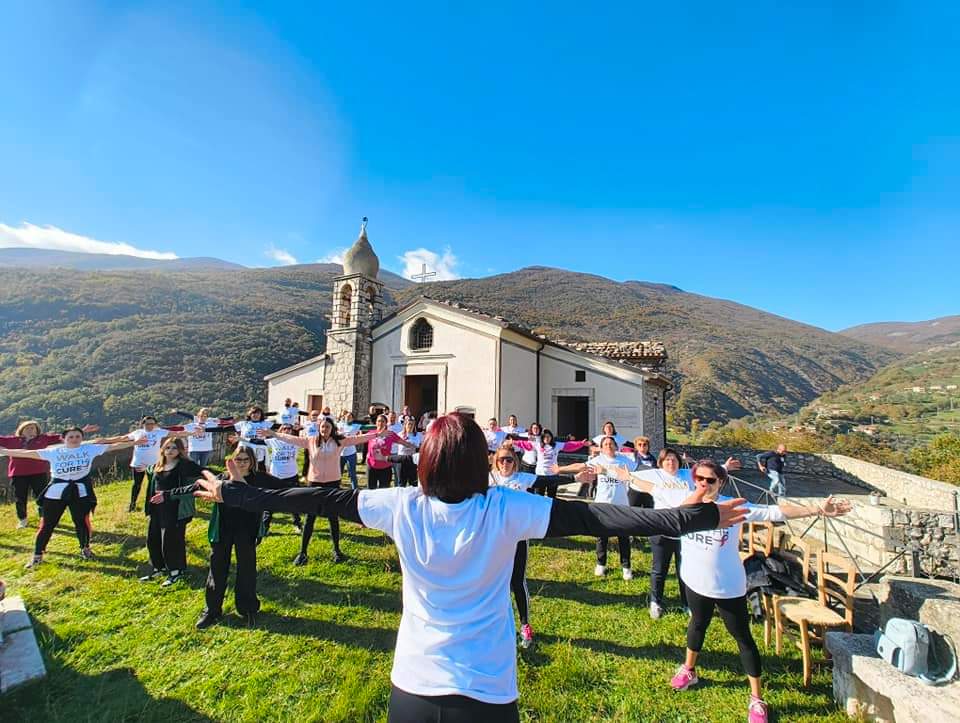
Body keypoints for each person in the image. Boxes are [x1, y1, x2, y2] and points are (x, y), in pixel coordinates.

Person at [190, 413, 748, 722]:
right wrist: (693, 516)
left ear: (428, 462)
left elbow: (318, 498)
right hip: (486, 689)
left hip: (413, 684)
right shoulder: (506, 509)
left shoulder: (401, 504)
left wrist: (239, 495)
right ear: (481, 462)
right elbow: (602, 519)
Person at [606, 458, 850, 723]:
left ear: (720, 482)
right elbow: (650, 486)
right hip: (694, 580)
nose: (703, 484)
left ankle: (756, 699)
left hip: (727, 585)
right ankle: (689, 669)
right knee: (697, 625)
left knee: (742, 637)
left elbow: (773, 512)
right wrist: (625, 475)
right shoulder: (682, 499)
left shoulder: (733, 507)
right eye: (698, 479)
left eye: (709, 480)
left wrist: (817, 509)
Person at [0, 429, 145, 567]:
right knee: (47, 524)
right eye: (71, 437)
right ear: (63, 439)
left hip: (80, 492)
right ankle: (37, 555)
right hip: (55, 493)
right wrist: (5, 451)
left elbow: (114, 447)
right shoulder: (54, 451)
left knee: (81, 522)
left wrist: (134, 443)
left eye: (78, 436)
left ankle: (85, 549)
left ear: (82, 438)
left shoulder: (89, 449)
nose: (74, 439)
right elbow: (27, 453)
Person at [259, 419, 374, 564]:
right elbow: (291, 438)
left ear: (332, 428)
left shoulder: (340, 441)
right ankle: (303, 553)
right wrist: (273, 434)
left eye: (327, 426)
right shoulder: (311, 441)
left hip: (333, 483)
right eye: (322, 426)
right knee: (310, 518)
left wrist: (376, 434)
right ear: (319, 428)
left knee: (333, 517)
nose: (324, 429)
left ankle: (337, 551)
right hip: (314, 483)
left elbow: (359, 438)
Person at [0, 420, 99, 528]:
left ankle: (45, 518)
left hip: (39, 472)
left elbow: (63, 437)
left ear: (37, 430)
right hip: (18, 473)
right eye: (27, 428)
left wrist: (83, 430)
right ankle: (22, 519)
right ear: (21, 430)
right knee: (20, 497)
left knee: (42, 496)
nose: (30, 430)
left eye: (33, 428)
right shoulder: (12, 440)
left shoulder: (43, 439)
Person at [489, 444, 540, 649]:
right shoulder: (488, 478)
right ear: (495, 461)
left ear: (515, 462)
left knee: (517, 581)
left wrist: (575, 478)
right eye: (501, 459)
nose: (505, 463)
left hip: (518, 537)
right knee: (493, 582)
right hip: (494, 538)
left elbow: (547, 480)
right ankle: (495, 624)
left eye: (509, 460)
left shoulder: (522, 479)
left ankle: (525, 624)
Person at [143, 437, 205, 586]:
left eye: (174, 448)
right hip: (157, 508)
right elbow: (153, 479)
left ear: (180, 450)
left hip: (176, 509)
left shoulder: (185, 465)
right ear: (163, 449)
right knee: (153, 539)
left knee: (171, 541)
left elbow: (205, 474)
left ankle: (176, 571)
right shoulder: (158, 465)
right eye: (168, 448)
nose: (170, 451)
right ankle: (159, 567)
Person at [98, 416, 190, 512]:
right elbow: (122, 438)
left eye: (152, 424)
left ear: (155, 424)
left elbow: (177, 433)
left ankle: (152, 506)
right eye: (147, 424)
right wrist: (105, 440)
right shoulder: (138, 433)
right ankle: (132, 505)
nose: (150, 426)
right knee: (137, 484)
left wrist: (193, 433)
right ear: (143, 424)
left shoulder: (159, 432)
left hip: (154, 464)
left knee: (153, 485)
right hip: (138, 463)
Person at [513, 429, 589, 499]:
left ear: (551, 437)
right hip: (540, 475)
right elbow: (525, 444)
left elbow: (569, 445)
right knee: (539, 496)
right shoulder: (538, 445)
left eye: (548, 436)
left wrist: (581, 443)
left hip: (553, 475)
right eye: (544, 437)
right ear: (542, 438)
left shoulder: (556, 445)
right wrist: (513, 442)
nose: (546, 438)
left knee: (552, 497)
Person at [262, 424, 303, 534]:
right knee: (269, 503)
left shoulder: (296, 441)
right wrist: (241, 439)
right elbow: (257, 442)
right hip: (275, 476)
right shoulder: (274, 440)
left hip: (291, 476)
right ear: (280, 430)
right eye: (284, 428)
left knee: (294, 502)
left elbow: (311, 441)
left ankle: (297, 524)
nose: (287, 430)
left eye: (289, 428)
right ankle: (265, 527)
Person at [367, 415, 415, 491]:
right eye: (379, 421)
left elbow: (404, 443)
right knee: (371, 490)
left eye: (383, 421)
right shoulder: (371, 433)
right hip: (372, 467)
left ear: (386, 423)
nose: (380, 423)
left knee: (384, 491)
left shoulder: (390, 434)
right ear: (376, 423)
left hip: (385, 467)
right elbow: (359, 439)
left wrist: (416, 447)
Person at [233, 406, 275, 472]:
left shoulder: (265, 423)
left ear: (261, 415)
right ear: (250, 414)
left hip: (259, 452)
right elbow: (229, 427)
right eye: (253, 413)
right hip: (244, 452)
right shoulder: (243, 423)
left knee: (259, 473)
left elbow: (282, 426)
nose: (255, 415)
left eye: (258, 413)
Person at [394, 417, 422, 487]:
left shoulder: (418, 435)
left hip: (412, 460)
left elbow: (421, 446)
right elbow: (394, 447)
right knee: (401, 483)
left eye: (412, 424)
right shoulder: (399, 435)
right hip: (401, 460)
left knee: (413, 483)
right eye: (409, 424)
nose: (410, 426)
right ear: (405, 425)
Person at [337, 411, 361, 490]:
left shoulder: (356, 426)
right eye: (347, 416)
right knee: (338, 473)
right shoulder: (339, 424)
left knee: (352, 473)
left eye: (350, 417)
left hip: (351, 453)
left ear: (352, 418)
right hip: (340, 453)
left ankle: (355, 490)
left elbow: (368, 427)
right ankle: (337, 488)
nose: (348, 418)